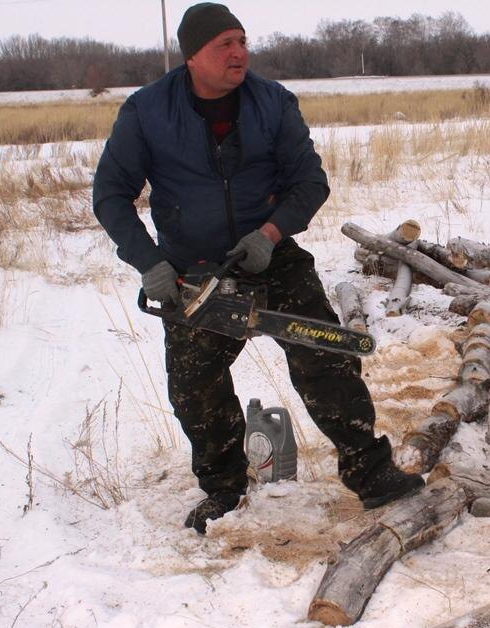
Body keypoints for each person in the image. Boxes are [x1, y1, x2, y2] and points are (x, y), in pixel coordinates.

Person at [92, 2, 424, 534]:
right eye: (224, 43)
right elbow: (110, 195)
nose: (239, 52)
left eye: (242, 40)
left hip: (271, 260)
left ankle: (371, 471)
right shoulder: (147, 112)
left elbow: (309, 182)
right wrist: (148, 261)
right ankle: (223, 490)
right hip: (191, 272)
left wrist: (270, 235)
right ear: (193, 54)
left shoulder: (272, 103)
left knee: (326, 357)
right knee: (194, 386)